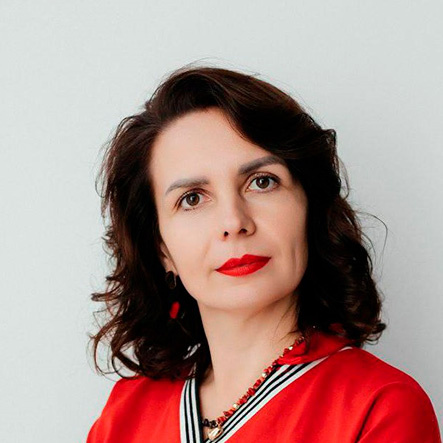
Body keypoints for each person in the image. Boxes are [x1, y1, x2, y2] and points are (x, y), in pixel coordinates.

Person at [86, 65, 441, 442]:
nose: (234, 222)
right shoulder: (123, 416)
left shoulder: (379, 406)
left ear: (310, 208)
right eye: (192, 199)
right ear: (161, 249)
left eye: (262, 182)